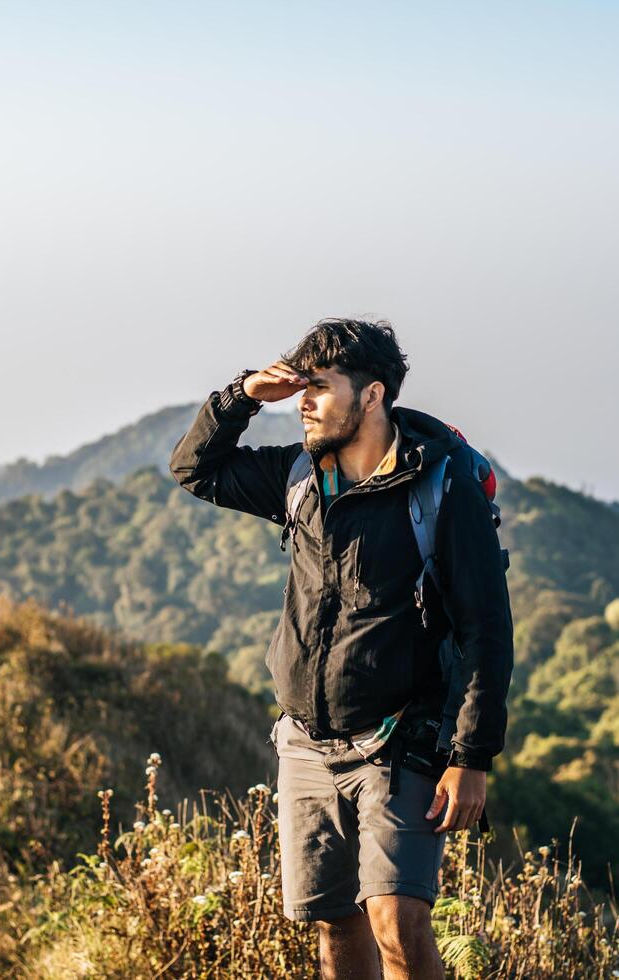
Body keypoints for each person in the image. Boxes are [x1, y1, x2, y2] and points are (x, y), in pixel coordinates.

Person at [169, 318, 514, 979]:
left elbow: (485, 632)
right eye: (298, 387)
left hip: (399, 741)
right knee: (335, 925)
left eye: (318, 388)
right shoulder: (299, 477)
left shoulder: (442, 493)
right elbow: (193, 469)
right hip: (305, 742)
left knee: (397, 923)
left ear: (372, 395)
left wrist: (471, 757)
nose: (302, 402)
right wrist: (242, 394)